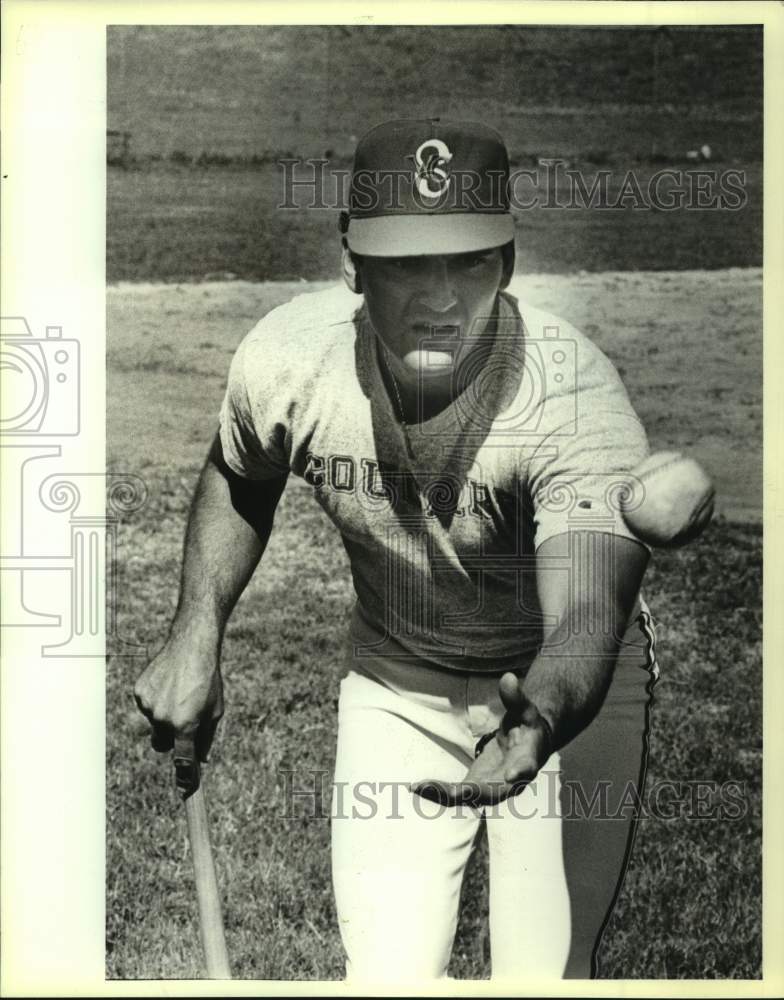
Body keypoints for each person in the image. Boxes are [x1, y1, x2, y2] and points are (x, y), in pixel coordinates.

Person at [134, 118, 660, 982]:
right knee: (385, 977)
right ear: (352, 262)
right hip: (397, 679)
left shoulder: (572, 398)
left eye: (469, 262)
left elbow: (588, 611)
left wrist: (540, 716)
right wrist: (198, 632)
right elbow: (240, 472)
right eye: (408, 263)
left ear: (511, 264)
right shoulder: (291, 359)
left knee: (547, 977)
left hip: (568, 699)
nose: (440, 296)